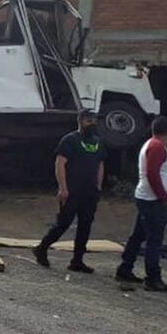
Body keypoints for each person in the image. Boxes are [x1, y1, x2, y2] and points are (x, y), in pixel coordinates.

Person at [32, 109, 107, 273]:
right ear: (81, 122)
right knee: (63, 224)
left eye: (94, 121)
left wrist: (98, 187)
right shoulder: (70, 140)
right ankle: (42, 248)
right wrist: (63, 188)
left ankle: (77, 260)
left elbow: (100, 165)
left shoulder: (98, 142)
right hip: (72, 191)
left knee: (85, 226)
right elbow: (60, 164)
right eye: (89, 121)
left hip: (90, 192)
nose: (93, 124)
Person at [117, 116, 167, 293]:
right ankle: (153, 278)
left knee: (138, 235)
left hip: (147, 197)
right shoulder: (157, 146)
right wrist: (163, 197)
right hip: (153, 200)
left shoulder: (151, 144)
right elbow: (153, 174)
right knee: (154, 240)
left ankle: (125, 268)